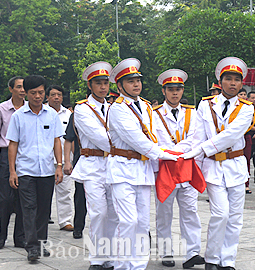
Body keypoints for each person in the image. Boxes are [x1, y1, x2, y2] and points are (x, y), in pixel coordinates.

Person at [181, 57, 254, 270]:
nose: (233, 83)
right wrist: (192, 161)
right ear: (219, 82)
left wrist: (201, 149)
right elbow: (198, 136)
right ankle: (212, 259)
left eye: (237, 80)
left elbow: (231, 136)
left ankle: (227, 260)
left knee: (234, 218)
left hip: (236, 166)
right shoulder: (205, 104)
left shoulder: (247, 108)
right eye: (228, 79)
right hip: (212, 168)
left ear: (242, 84)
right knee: (220, 214)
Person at [107, 58, 178, 270]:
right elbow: (135, 138)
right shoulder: (118, 108)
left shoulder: (146, 106)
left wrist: (168, 154)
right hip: (122, 168)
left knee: (142, 223)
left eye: (138, 80)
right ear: (120, 86)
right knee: (127, 221)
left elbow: (155, 135)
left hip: (143, 170)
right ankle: (122, 266)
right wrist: (162, 154)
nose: (136, 84)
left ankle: (138, 266)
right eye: (130, 81)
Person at [6, 75, 64, 261]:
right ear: (26, 93)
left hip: (47, 170)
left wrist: (59, 166)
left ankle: (40, 242)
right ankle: (31, 247)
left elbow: (57, 141)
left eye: (40, 92)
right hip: (26, 170)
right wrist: (12, 171)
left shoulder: (52, 115)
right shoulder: (18, 116)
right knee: (29, 208)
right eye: (33, 93)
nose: (37, 96)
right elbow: (13, 144)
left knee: (44, 210)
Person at [152, 69, 205, 269]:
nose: (175, 93)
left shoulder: (192, 112)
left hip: (187, 167)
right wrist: (173, 152)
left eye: (179, 89)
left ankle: (192, 253)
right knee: (164, 213)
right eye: (171, 89)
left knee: (190, 210)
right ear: (164, 91)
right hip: (165, 169)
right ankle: (166, 252)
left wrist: (178, 151)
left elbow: (197, 137)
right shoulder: (154, 114)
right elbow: (153, 140)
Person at [70, 62, 117, 270]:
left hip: (114, 164)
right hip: (92, 164)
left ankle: (111, 256)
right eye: (98, 83)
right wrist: (124, 143)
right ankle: (97, 259)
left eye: (106, 83)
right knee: (98, 212)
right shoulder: (82, 109)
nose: (103, 87)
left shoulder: (115, 107)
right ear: (90, 85)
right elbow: (100, 138)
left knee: (114, 213)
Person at [0, 76, 26, 249]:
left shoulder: (30, 108)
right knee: (4, 199)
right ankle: (2, 234)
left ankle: (20, 236)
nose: (22, 90)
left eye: (24, 87)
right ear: (11, 89)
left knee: (23, 198)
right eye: (18, 87)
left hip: (25, 156)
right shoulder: (1, 109)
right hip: (4, 155)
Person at [46, 85, 74, 231]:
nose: (56, 97)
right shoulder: (42, 112)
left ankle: (65, 221)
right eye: (53, 95)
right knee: (44, 192)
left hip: (64, 159)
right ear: (47, 97)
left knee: (65, 192)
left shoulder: (68, 115)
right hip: (45, 160)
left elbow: (72, 138)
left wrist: (72, 159)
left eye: (59, 95)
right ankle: (43, 218)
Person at [63, 113, 86, 239]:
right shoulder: (78, 113)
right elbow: (68, 139)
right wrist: (67, 161)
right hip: (82, 159)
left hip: (107, 162)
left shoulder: (111, 110)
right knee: (80, 196)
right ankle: (78, 226)